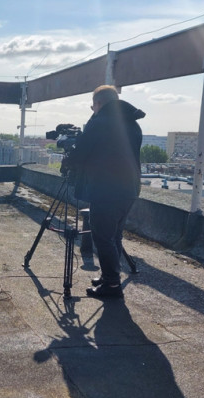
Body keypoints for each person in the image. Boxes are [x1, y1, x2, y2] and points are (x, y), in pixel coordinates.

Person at [64, 85, 144, 298]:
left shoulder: (99, 123)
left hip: (107, 190)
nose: (93, 111)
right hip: (129, 189)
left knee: (102, 237)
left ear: (98, 104)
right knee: (114, 236)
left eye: (93, 107)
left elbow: (81, 154)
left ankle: (112, 286)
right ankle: (111, 276)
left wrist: (69, 160)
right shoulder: (133, 123)